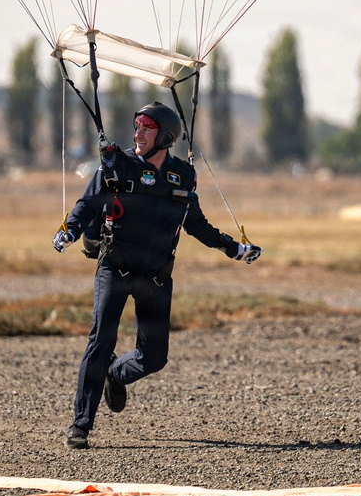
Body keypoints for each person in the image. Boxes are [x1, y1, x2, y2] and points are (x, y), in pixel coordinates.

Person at [52, 101, 261, 449]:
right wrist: (70, 231)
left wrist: (233, 248)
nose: (138, 132)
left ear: (165, 135)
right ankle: (80, 425)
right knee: (100, 341)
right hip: (115, 268)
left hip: (156, 278)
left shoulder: (181, 175)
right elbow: (86, 205)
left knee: (154, 357)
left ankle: (116, 375)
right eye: (136, 125)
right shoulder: (115, 165)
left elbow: (196, 224)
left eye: (146, 126)